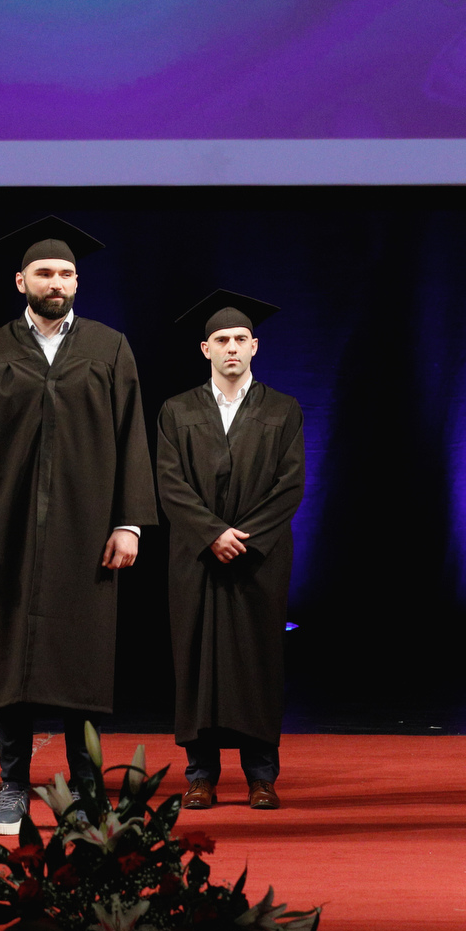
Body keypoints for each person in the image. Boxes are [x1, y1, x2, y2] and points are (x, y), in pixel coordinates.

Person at [0, 217, 155, 837]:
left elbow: (131, 436)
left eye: (65, 274)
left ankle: (84, 794)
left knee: (82, 663)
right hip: (5, 531)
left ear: (77, 282)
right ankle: (13, 790)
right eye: (44, 273)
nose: (55, 282)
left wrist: (130, 522)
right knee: (11, 664)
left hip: (87, 532)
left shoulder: (109, 347)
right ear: (20, 281)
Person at [155, 291, 306, 810]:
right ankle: (201, 775)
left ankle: (261, 775)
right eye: (222, 340)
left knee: (257, 660)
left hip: (259, 559)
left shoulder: (283, 410)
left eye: (241, 339)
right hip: (196, 557)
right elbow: (170, 484)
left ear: (255, 346)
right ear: (206, 349)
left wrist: (245, 537)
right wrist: (210, 534)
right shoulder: (177, 411)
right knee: (196, 661)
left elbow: (290, 485)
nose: (232, 348)